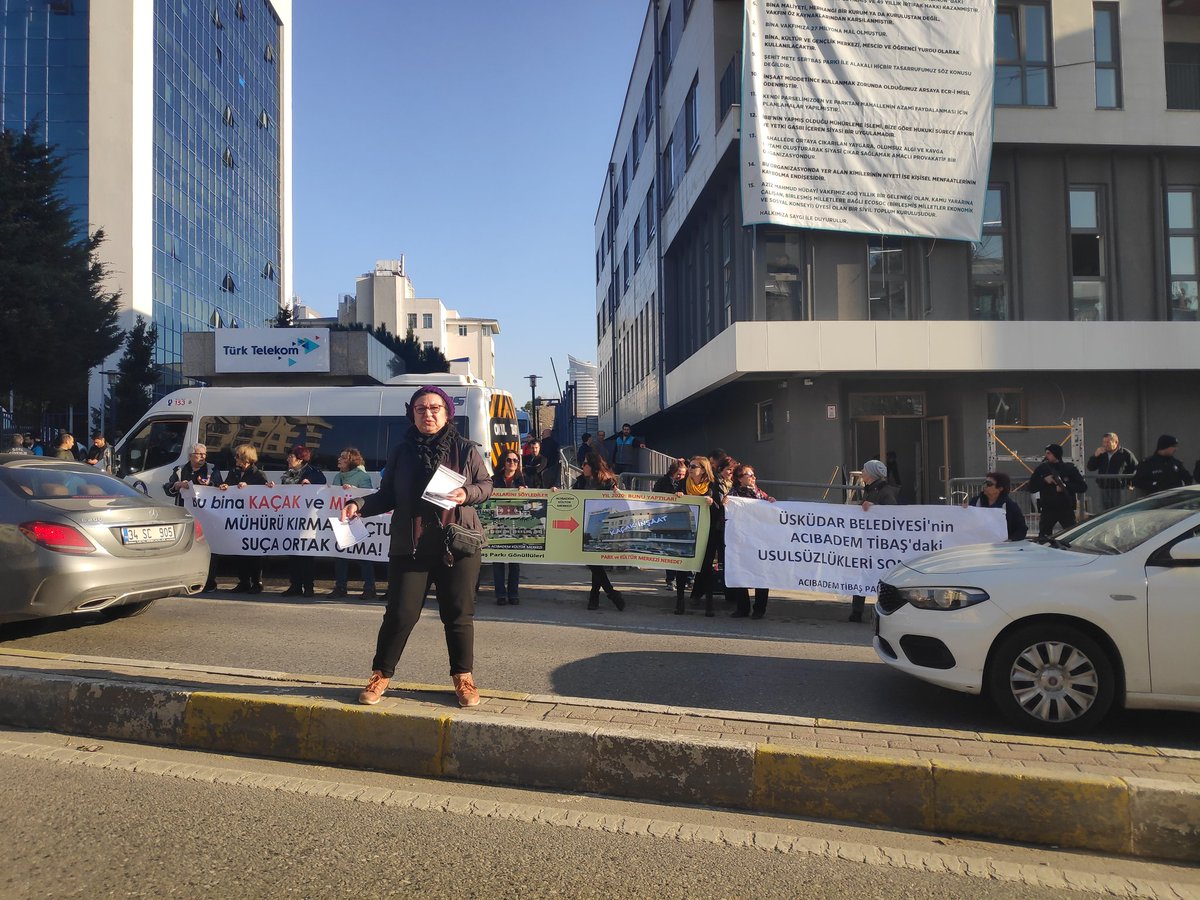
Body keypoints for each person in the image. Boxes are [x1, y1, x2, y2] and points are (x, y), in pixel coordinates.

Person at [341, 385, 492, 708]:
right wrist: (359, 505)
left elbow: (486, 485)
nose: (428, 414)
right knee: (399, 614)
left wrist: (467, 494)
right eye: (421, 408)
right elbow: (387, 495)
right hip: (410, 546)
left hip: (457, 545)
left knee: (458, 615)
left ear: (447, 413)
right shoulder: (401, 452)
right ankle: (380, 675)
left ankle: (463, 679)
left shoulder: (465, 449)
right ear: (412, 414)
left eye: (435, 408)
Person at [218, 443, 275, 594]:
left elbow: (264, 494)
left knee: (254, 553)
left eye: (237, 456)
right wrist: (224, 486)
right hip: (238, 519)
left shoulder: (258, 474)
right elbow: (228, 486)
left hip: (253, 520)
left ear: (245, 457)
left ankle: (257, 582)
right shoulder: (234, 472)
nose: (235, 458)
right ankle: (243, 581)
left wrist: (248, 487)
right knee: (240, 551)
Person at [573, 451, 625, 612]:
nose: (582, 467)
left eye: (585, 464)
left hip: (601, 525)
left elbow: (620, 501)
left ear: (593, 466)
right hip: (584, 525)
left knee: (595, 561)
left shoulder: (607, 482)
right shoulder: (581, 481)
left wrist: (617, 493)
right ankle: (609, 592)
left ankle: (596, 595)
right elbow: (570, 496)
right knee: (593, 562)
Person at [165, 444, 222, 591]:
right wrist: (177, 485)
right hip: (186, 515)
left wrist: (210, 485)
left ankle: (209, 582)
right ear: (190, 456)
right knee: (185, 547)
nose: (203, 457)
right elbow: (168, 488)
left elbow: (220, 486)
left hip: (207, 516)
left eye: (204, 454)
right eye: (199, 454)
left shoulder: (211, 469)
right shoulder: (179, 470)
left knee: (208, 548)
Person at [849, 459, 900, 623]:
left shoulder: (885, 491)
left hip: (879, 545)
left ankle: (882, 611)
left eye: (864, 469)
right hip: (869, 542)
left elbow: (891, 515)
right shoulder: (871, 489)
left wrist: (875, 507)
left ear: (871, 473)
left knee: (880, 578)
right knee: (862, 575)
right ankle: (856, 612)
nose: (862, 472)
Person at [676, 455, 723, 617]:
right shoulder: (682, 484)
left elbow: (720, 508)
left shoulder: (712, 485)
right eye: (690, 466)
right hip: (686, 531)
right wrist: (677, 497)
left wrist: (712, 503)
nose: (690, 469)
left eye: (694, 466)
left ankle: (709, 605)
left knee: (706, 568)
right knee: (682, 566)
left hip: (708, 532)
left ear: (703, 470)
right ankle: (679, 602)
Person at [328, 448, 378, 600]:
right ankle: (340, 587)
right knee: (340, 555)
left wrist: (354, 491)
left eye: (343, 457)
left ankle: (369, 588)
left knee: (363, 556)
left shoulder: (362, 476)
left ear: (351, 460)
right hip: (342, 520)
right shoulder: (338, 476)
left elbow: (367, 494)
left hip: (358, 520)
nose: (339, 459)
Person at [727, 463, 775, 620]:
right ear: (740, 479)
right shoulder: (733, 495)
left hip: (760, 540)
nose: (753, 477)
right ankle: (742, 608)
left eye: (753, 475)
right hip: (740, 539)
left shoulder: (761, 495)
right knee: (740, 572)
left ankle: (759, 609)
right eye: (749, 475)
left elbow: (770, 511)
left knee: (761, 572)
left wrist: (771, 502)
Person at [280, 446, 327, 598]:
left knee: (306, 556)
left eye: (291, 456)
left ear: (300, 459)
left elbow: (322, 486)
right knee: (292, 554)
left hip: (306, 521)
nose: (288, 459)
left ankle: (308, 587)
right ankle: (295, 586)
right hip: (291, 519)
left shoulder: (314, 473)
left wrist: (310, 483)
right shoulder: (287, 475)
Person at [1022, 443, 1087, 539]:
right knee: (1044, 537)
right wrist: (1044, 480)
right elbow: (1032, 487)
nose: (1046, 456)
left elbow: (1082, 486)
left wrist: (1065, 486)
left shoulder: (1069, 469)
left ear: (1056, 454)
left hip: (1065, 507)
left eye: (1049, 453)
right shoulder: (1042, 469)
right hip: (1048, 508)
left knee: (1072, 535)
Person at [491, 450, 527, 605]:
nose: (512, 463)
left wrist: (527, 492)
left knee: (514, 563)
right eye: (509, 460)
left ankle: (513, 594)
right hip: (497, 525)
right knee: (497, 561)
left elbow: (540, 495)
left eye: (515, 460)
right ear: (503, 462)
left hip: (516, 526)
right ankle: (500, 594)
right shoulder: (493, 480)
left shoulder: (523, 479)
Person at [654, 458, 689, 590]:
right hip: (668, 520)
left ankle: (688, 578)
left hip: (684, 520)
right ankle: (671, 579)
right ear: (672, 472)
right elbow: (655, 497)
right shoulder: (663, 482)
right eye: (679, 474)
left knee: (686, 550)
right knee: (670, 550)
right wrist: (672, 495)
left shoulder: (687, 483)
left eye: (683, 474)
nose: (681, 477)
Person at [968, 471, 1028, 542]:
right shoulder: (975, 501)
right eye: (984, 483)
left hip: (1001, 547)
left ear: (1000, 488)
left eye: (989, 484)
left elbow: (1021, 529)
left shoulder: (1010, 506)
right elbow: (966, 522)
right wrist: (964, 510)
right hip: (978, 544)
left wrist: (1011, 540)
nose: (985, 486)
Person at [1086, 432, 1138, 510]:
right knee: (1104, 512)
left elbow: (1136, 468)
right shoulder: (1101, 454)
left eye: (1107, 442)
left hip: (1120, 489)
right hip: (1103, 488)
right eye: (1103, 442)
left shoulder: (1126, 454)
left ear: (1116, 442)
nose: (1105, 444)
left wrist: (1131, 483)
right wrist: (1095, 456)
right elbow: (1090, 467)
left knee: (1119, 511)